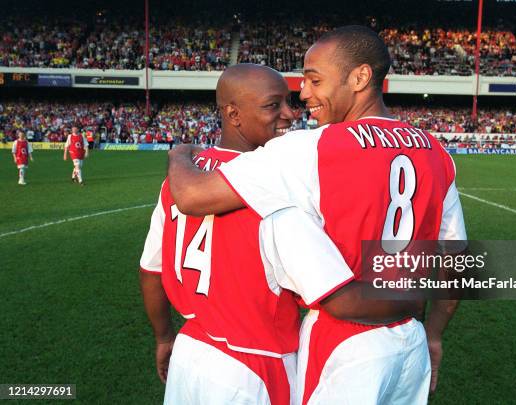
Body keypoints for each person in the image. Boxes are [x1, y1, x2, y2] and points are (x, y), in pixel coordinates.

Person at [167, 26, 467, 404]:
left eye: (314, 79)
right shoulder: (437, 153)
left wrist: (179, 154)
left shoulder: (311, 148)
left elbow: (192, 196)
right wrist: (434, 335)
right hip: (411, 343)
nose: (304, 93)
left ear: (359, 78)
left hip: (343, 345)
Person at [140, 64, 416, 405]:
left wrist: (164, 337)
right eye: (274, 105)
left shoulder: (180, 181)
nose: (289, 113)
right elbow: (340, 299)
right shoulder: (277, 189)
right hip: (255, 365)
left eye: (288, 101)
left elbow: (151, 272)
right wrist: (416, 294)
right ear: (233, 114)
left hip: (191, 352)